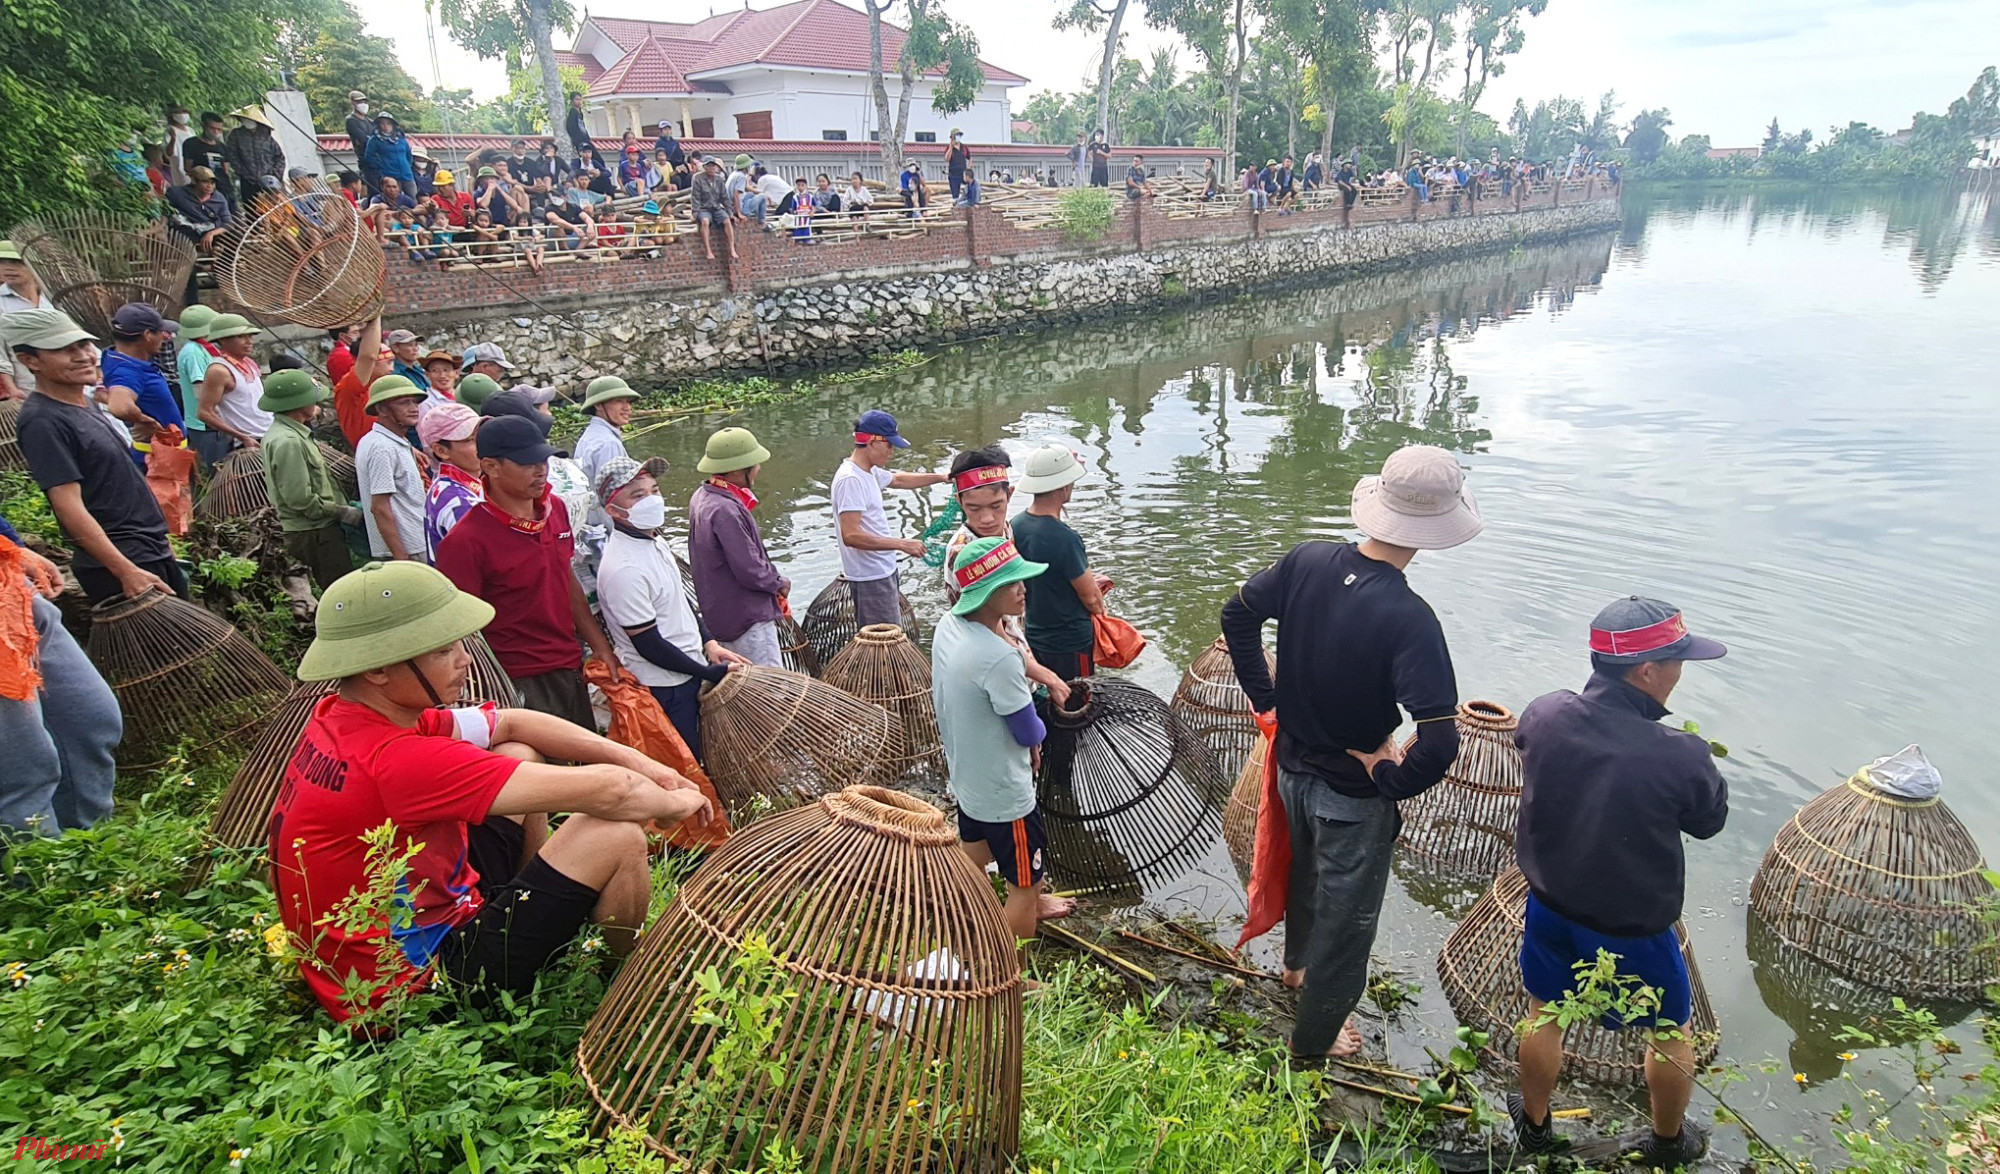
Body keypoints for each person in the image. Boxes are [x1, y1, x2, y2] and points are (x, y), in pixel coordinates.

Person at [268, 560, 713, 1026]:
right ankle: (620, 980)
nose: (464, 659)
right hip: (418, 993)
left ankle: (523, 900)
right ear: (379, 669)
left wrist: (640, 761)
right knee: (614, 834)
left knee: (517, 752)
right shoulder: (396, 762)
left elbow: (513, 722)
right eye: (442, 650)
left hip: (408, 917)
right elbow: (613, 793)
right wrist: (681, 800)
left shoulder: (346, 715)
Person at [1219, 444, 1481, 1061]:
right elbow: (1440, 740)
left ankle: (1294, 971)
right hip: (1350, 796)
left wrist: (1269, 698)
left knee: (1305, 877)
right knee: (1348, 925)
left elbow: (1237, 617)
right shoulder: (1408, 617)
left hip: (1290, 769)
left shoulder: (1307, 559)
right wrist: (1390, 776)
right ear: (1433, 530)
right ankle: (1312, 1045)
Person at [1508, 597, 1729, 1167]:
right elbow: (1708, 823)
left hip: (1550, 905)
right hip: (1633, 930)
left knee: (1544, 1014)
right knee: (1668, 1029)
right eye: (1677, 661)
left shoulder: (1545, 713)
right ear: (1647, 672)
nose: (1682, 672)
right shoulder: (1679, 754)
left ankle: (1533, 1129)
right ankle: (1667, 1141)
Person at [434, 415, 632, 725]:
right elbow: (460, 630)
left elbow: (566, 580)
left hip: (569, 660)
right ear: (491, 467)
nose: (541, 470)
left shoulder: (556, 510)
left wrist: (600, 646)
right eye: (527, 463)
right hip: (519, 675)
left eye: (543, 460)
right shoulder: (466, 542)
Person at [933, 536, 1076, 940]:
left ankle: (971, 926)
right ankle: (1013, 974)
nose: (1023, 589)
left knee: (974, 853)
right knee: (1026, 886)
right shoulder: (999, 658)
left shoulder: (950, 626)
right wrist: (1043, 732)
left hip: (968, 775)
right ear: (985, 592)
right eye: (1012, 583)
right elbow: (1028, 730)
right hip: (1006, 795)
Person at [8, 309, 184, 602]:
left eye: (84, 345)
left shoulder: (84, 403)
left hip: (148, 549)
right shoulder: (43, 421)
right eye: (64, 350)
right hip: (120, 562)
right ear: (30, 361)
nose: (84, 356)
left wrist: (160, 540)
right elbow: (68, 506)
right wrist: (124, 570)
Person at [595, 459, 750, 757]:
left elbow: (680, 599)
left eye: (654, 490)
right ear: (613, 510)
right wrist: (708, 672)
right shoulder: (623, 568)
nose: (652, 500)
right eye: (637, 496)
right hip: (663, 686)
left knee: (706, 753)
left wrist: (709, 643)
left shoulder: (653, 539)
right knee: (685, 760)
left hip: (687, 670)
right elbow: (649, 644)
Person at [0, 519, 120, 836]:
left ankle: (88, 848)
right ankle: (36, 873)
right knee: (21, 766)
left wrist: (13, 546)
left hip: (9, 584)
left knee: (91, 719)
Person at [943, 446, 1069, 703]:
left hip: (1018, 651)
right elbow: (992, 632)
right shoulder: (964, 552)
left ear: (1009, 495)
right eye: (974, 509)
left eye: (996, 505)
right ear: (959, 501)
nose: (987, 518)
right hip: (994, 664)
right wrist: (1048, 677)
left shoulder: (1005, 530)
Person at [833, 409, 945, 628]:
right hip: (870, 578)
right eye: (889, 445)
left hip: (883, 570)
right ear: (873, 442)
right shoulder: (850, 479)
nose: (891, 452)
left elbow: (899, 480)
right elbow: (851, 535)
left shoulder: (868, 472)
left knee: (891, 635)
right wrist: (902, 544)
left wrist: (941, 477)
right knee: (883, 643)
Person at [687, 427, 789, 667]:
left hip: (720, 614)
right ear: (737, 469)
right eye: (754, 463)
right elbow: (749, 569)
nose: (758, 468)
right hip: (746, 616)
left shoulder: (702, 496)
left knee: (735, 681)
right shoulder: (725, 509)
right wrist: (779, 583)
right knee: (768, 686)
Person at [1009, 445, 1108, 682]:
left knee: (1048, 694)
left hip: (1034, 634)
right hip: (1070, 641)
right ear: (1063, 486)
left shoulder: (1016, 524)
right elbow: (1091, 599)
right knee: (1080, 701)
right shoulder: (1065, 538)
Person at [260, 369, 360, 590]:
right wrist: (341, 512)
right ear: (298, 402)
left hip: (317, 530)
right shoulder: (288, 441)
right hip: (314, 533)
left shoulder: (292, 434)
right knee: (338, 592)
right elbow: (299, 498)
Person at [354, 375, 429, 563]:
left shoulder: (385, 441)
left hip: (415, 542)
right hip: (410, 548)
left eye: (414, 402)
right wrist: (400, 556)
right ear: (382, 409)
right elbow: (379, 507)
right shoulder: (382, 448)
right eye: (404, 403)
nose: (413, 408)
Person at [100, 304, 184, 468]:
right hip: (157, 462)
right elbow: (120, 407)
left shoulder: (115, 356)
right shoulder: (127, 370)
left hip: (167, 455)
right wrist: (145, 422)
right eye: (161, 332)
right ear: (147, 335)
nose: (164, 337)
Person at [194, 314, 271, 453]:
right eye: (241, 337)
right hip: (250, 442)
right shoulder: (219, 370)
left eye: (250, 336)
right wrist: (242, 437)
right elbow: (204, 412)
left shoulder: (248, 362)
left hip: (269, 434)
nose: (249, 342)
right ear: (223, 339)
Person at [420, 402, 484, 557]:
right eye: (469, 440)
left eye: (481, 436)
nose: (482, 444)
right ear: (441, 451)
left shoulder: (447, 485)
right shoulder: (461, 503)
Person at [173, 306, 227, 467]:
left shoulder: (206, 348)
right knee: (218, 471)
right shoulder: (193, 353)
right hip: (207, 425)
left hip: (216, 422)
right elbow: (200, 390)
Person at [571, 375, 638, 495]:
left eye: (628, 401)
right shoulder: (609, 444)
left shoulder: (590, 435)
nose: (627, 408)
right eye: (619, 401)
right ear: (598, 405)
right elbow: (614, 494)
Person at [165, 166, 232, 253]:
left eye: (212, 183)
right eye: (205, 182)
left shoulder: (219, 198)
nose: (210, 186)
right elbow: (165, 211)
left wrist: (211, 234)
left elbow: (228, 222)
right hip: (187, 230)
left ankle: (222, 262)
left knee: (234, 236)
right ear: (194, 181)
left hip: (210, 230)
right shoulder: (177, 193)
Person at [690, 157, 737, 261]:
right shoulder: (697, 178)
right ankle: (708, 250)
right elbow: (695, 197)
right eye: (708, 166)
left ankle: (732, 248)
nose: (711, 168)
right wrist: (695, 213)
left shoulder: (719, 179)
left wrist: (730, 211)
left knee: (727, 221)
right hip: (703, 208)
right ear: (704, 167)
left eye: (713, 166)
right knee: (705, 222)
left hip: (716, 207)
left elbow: (724, 197)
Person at [363, 113, 416, 198]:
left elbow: (409, 155)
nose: (385, 126)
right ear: (379, 125)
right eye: (382, 123)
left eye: (388, 123)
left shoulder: (401, 138)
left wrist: (407, 166)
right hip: (389, 175)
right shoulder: (375, 140)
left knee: (412, 198)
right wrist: (380, 166)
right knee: (393, 200)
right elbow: (369, 157)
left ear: (393, 125)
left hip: (407, 174)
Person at [344, 91, 373, 184]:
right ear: (353, 103)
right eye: (359, 102)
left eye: (364, 102)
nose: (363, 104)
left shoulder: (369, 121)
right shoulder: (351, 120)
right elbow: (363, 139)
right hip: (365, 160)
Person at [419, 349, 461, 413]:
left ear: (456, 373)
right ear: (427, 375)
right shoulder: (426, 403)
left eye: (446, 370)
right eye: (435, 371)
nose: (442, 375)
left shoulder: (464, 396)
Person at [946, 129, 972, 202]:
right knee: (955, 194)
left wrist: (969, 169)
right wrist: (951, 146)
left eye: (959, 135)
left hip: (963, 173)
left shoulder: (964, 147)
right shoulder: (949, 148)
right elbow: (947, 159)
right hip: (953, 174)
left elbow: (969, 158)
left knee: (968, 189)